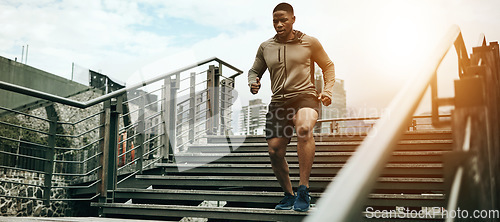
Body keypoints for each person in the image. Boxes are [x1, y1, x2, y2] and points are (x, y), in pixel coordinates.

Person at [248, 2, 335, 212]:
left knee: (304, 129)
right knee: (274, 151)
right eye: (275, 21)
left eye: (283, 20)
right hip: (279, 101)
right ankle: (289, 194)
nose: (279, 24)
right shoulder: (265, 47)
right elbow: (254, 70)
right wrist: (253, 82)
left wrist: (328, 90)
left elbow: (328, 66)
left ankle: (303, 189)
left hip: (305, 96)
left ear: (293, 19)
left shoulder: (310, 42)